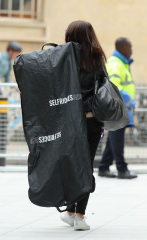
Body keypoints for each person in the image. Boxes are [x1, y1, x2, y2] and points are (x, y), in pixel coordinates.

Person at [60, 20, 106, 230]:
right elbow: (103, 87)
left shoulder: (63, 57)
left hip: (69, 121)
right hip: (91, 120)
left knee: (71, 165)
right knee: (86, 166)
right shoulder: (97, 58)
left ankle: (70, 212)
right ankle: (79, 215)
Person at [98, 37, 137, 179]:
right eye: (129, 47)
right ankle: (122, 169)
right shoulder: (116, 63)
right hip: (117, 107)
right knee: (117, 138)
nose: (131, 50)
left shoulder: (121, 63)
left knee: (113, 139)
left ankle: (103, 167)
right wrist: (127, 99)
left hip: (120, 107)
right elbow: (114, 86)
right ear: (122, 48)